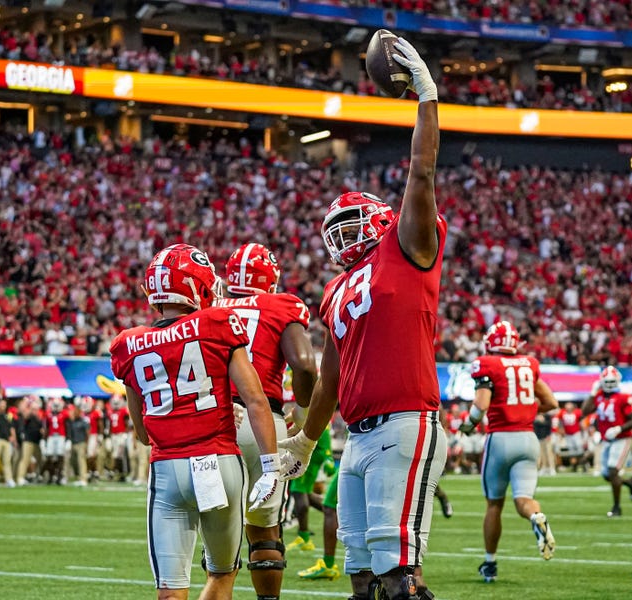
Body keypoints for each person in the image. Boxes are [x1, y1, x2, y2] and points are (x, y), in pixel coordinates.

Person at [279, 35, 446, 600]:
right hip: (356, 436)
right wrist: (302, 442)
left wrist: (427, 97)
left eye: (355, 223)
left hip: (403, 422)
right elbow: (329, 378)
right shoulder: (334, 288)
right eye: (338, 228)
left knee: (400, 576)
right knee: (362, 580)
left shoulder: (407, 247)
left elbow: (420, 175)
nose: (346, 236)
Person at [109, 243, 281, 600]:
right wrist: (271, 466)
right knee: (221, 574)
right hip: (218, 462)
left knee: (170, 592)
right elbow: (255, 399)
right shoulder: (217, 323)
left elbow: (142, 433)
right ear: (198, 287)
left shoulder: (128, 343)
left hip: (167, 470)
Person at [216, 241, 317, 600]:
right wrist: (304, 411)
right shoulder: (280, 305)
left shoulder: (209, 307)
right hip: (261, 424)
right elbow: (305, 364)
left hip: (212, 424)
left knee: (216, 532)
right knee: (264, 530)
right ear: (271, 280)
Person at [459, 321, 558, 583]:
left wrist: (468, 425)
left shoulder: (487, 364)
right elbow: (551, 402)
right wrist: (524, 413)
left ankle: (490, 564)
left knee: (494, 504)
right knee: (524, 500)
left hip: (501, 438)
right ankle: (536, 516)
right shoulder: (529, 364)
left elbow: (480, 405)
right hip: (528, 437)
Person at [581, 366, 632, 517]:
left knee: (613, 470)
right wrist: (593, 393)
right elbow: (585, 411)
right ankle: (629, 483)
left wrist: (619, 429)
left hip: (622, 438)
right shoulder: (599, 396)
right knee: (607, 475)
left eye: (612, 381)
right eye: (607, 381)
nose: (609, 384)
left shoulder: (624, 397)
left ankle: (617, 507)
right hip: (606, 439)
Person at [556, 402, 584, 471]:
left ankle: (582, 464)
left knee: (579, 449)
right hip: (568, 434)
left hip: (576, 433)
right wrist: (561, 429)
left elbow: (581, 420)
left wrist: (583, 431)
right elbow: (560, 421)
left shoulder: (577, 412)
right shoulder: (562, 412)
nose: (568, 407)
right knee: (571, 451)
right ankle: (574, 465)